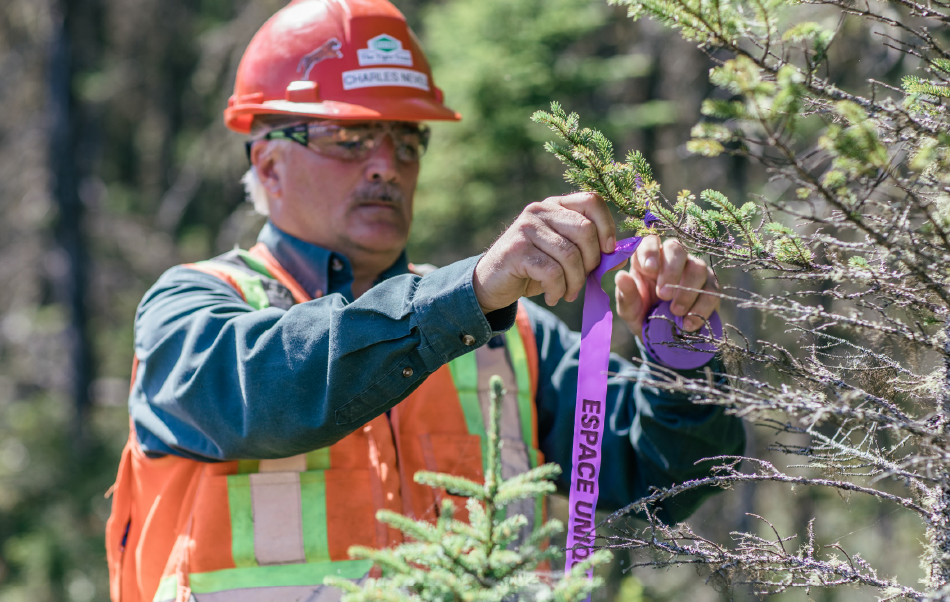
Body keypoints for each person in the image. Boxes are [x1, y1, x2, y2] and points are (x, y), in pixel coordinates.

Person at [104, 1, 745, 600]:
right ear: (269, 166)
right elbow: (270, 395)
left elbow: (659, 473)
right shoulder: (191, 310)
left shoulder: (513, 338)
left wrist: (679, 347)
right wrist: (464, 297)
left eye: (407, 141)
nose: (387, 164)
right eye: (350, 139)